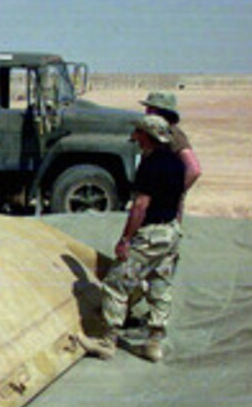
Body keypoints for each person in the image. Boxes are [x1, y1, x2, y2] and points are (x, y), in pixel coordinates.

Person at [78, 114, 185, 363]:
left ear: (147, 135)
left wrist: (126, 239)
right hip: (170, 233)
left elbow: (140, 206)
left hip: (150, 236)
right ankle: (154, 343)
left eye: (138, 132)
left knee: (116, 283)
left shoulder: (150, 164)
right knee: (160, 286)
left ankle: (107, 342)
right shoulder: (177, 162)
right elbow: (178, 199)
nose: (135, 137)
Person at [141, 91, 202, 217]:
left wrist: (172, 192)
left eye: (151, 109)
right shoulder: (156, 134)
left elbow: (194, 169)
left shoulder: (173, 134)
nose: (146, 112)